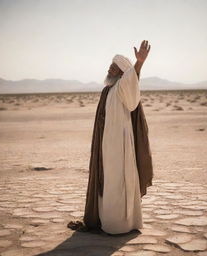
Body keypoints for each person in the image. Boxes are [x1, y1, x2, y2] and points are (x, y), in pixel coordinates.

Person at [67, 40, 153, 235]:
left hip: (120, 144)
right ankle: (106, 219)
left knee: (118, 180)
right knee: (107, 180)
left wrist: (139, 63)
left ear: (123, 73)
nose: (110, 68)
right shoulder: (108, 90)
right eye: (110, 65)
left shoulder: (123, 86)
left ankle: (121, 224)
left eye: (115, 67)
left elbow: (132, 79)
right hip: (106, 144)